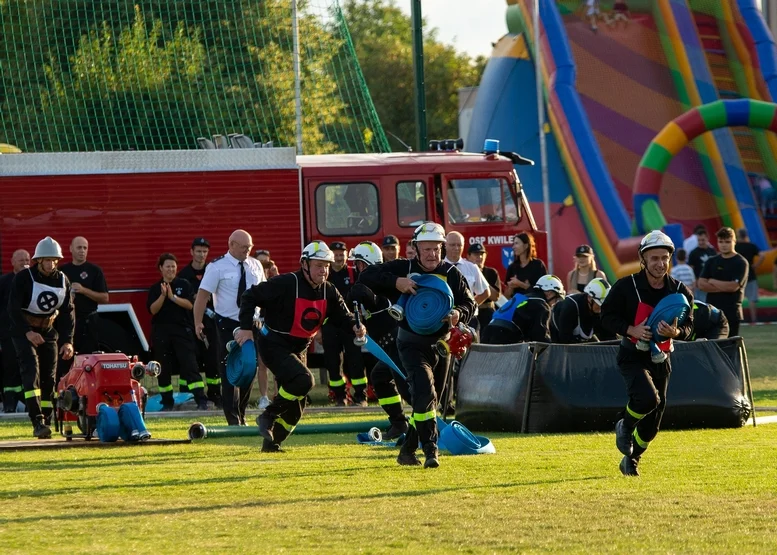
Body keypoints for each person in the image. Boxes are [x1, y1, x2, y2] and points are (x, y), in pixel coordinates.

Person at [360, 222, 476, 468]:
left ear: (442, 249)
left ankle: (407, 451)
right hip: (410, 344)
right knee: (425, 393)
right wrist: (396, 282)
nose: (432, 254)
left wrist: (458, 313)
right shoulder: (404, 267)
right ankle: (431, 451)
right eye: (426, 249)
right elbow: (366, 276)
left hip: (442, 345)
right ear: (415, 248)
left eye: (436, 249)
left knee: (428, 401)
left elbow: (470, 303)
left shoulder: (452, 273)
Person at [237, 241, 365, 453]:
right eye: (318, 265)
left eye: (326, 266)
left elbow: (344, 317)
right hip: (273, 345)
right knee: (305, 380)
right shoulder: (286, 283)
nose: (323, 271)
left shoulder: (329, 291)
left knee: (297, 406)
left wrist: (356, 326)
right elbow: (249, 296)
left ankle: (272, 443)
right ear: (304, 264)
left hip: (299, 349)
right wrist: (245, 328)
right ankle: (267, 415)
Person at [600, 230, 694, 477]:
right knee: (647, 399)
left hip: (662, 358)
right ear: (643, 259)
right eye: (654, 258)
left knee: (652, 427)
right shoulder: (625, 286)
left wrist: (676, 332)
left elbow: (690, 326)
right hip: (632, 355)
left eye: (665, 257)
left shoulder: (680, 290)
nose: (660, 263)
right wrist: (631, 329)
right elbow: (606, 316)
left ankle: (631, 460)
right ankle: (625, 424)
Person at [194, 230, 265, 426]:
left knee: (250, 369)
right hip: (228, 323)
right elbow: (202, 296)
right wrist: (198, 322)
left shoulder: (255, 265)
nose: (247, 251)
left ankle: (242, 413)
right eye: (244, 248)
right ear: (231, 244)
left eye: (249, 248)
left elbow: (265, 292)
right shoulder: (217, 267)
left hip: (252, 324)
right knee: (230, 371)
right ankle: (233, 419)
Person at [8, 237, 75, 438]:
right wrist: (28, 332)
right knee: (31, 373)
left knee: (49, 377)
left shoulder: (63, 280)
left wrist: (68, 341)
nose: (52, 264)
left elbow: (68, 312)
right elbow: (13, 309)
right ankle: (36, 420)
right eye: (48, 260)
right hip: (24, 331)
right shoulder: (23, 278)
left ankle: (47, 417)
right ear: (39, 260)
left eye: (55, 260)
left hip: (48, 331)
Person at [348, 241, 411, 439]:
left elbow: (377, 300)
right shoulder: (363, 285)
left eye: (358, 264)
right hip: (386, 346)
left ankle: (427, 426)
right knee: (380, 379)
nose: (356, 268)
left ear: (366, 264)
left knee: (408, 388)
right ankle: (399, 423)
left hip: (398, 342)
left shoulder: (382, 281)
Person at [147, 253, 208, 411]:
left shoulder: (184, 284)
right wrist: (163, 295)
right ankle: (167, 402)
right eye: (167, 266)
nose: (171, 270)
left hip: (182, 330)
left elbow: (189, 305)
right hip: (161, 331)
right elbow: (153, 310)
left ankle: (201, 400)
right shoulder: (155, 288)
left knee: (190, 365)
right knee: (163, 368)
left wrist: (172, 297)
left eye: (173, 267)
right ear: (161, 268)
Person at [178, 237, 222, 408]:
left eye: (204, 251)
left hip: (211, 325)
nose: (201, 255)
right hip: (191, 324)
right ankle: (188, 395)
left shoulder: (213, 271)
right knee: (191, 361)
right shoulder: (183, 276)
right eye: (198, 251)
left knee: (213, 360)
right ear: (191, 252)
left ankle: (215, 395)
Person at [322, 241, 368, 406]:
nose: (339, 258)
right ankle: (340, 396)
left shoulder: (353, 273)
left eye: (342, 254)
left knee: (355, 360)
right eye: (335, 254)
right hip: (329, 325)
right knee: (333, 363)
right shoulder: (324, 275)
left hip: (350, 325)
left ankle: (361, 396)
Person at [57, 236, 109, 378]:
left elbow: (105, 298)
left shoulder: (94, 271)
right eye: (79, 247)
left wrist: (83, 290)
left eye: (85, 248)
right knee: (64, 361)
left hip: (88, 322)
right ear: (71, 249)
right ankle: (63, 394)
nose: (82, 251)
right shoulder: (61, 271)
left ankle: (87, 395)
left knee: (88, 362)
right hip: (67, 323)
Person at [482, 274, 565, 345]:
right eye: (556, 298)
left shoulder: (522, 297)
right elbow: (540, 337)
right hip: (504, 336)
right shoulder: (541, 305)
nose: (554, 304)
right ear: (550, 293)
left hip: (488, 331)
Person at [698, 227, 748, 338]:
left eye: (727, 242)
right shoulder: (711, 261)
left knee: (729, 348)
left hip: (731, 312)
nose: (723, 245)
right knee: (712, 346)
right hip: (712, 312)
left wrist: (712, 281)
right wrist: (724, 286)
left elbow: (733, 287)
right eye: (721, 242)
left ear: (734, 242)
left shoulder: (741, 262)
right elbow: (701, 284)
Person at [0, 249, 31, 412]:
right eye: (21, 260)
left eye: (27, 259)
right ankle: (9, 404)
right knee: (10, 368)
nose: (25, 262)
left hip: (29, 334)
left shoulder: (34, 281)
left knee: (28, 368)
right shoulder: (4, 282)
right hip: (8, 334)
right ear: (12, 262)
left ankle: (29, 403)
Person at [444, 232, 489, 330]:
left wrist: (468, 308)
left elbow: (485, 292)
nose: (456, 248)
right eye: (452, 245)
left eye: (459, 245)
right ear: (445, 245)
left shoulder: (472, 267)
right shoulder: (439, 267)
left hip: (468, 320)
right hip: (444, 319)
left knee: (472, 346)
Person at [551, 277, 611, 344]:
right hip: (556, 339)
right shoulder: (570, 308)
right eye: (600, 304)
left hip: (578, 339)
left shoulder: (598, 310)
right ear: (589, 298)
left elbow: (608, 336)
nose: (601, 308)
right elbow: (565, 340)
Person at [467, 242, 501, 331]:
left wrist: (480, 278)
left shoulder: (491, 272)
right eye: (476, 254)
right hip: (471, 312)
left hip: (488, 312)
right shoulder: (465, 272)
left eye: (482, 254)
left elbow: (496, 297)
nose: (480, 257)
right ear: (468, 256)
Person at [504, 233, 547, 299]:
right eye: (513, 244)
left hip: (535, 305)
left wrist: (521, 284)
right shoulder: (512, 267)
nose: (513, 247)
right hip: (518, 306)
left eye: (517, 243)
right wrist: (511, 287)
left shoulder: (538, 265)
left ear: (526, 245)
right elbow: (506, 296)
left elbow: (543, 291)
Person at [734, 228, 763, 324]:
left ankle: (739, 318)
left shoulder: (736, 246)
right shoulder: (751, 246)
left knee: (738, 299)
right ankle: (754, 319)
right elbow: (762, 256)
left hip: (738, 275)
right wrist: (756, 265)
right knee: (752, 299)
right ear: (746, 235)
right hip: (750, 274)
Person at [688, 228, 716, 301]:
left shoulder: (712, 251)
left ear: (707, 238)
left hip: (712, 283)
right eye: (699, 240)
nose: (700, 242)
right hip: (700, 285)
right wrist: (695, 282)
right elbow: (691, 269)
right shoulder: (693, 253)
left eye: (702, 240)